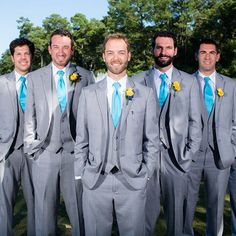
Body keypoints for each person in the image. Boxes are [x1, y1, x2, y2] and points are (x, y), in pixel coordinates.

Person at [74, 32, 159, 236]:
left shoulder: (145, 94)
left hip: (133, 180)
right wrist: (82, 173)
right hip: (95, 180)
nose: (116, 57)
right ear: (103, 56)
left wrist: (146, 173)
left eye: (121, 52)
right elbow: (81, 139)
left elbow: (152, 140)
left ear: (129, 55)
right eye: (110, 52)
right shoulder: (88, 93)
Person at [24, 29, 94, 236]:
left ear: (71, 50)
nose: (61, 52)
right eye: (56, 47)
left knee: (79, 211)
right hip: (44, 154)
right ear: (49, 49)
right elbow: (30, 115)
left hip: (76, 155)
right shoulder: (35, 77)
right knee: (44, 213)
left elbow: (93, 116)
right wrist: (32, 149)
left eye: (65, 47)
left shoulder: (85, 76)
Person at [132, 31, 202, 236]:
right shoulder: (136, 81)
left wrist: (187, 157)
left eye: (168, 47)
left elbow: (195, 123)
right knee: (144, 218)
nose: (163, 52)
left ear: (175, 51)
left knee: (177, 221)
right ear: (153, 50)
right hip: (145, 159)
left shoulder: (189, 82)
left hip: (177, 160)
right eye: (159, 47)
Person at [183, 39, 236, 236]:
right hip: (191, 157)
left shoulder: (231, 85)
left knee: (216, 207)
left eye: (211, 52)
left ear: (218, 56)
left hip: (219, 157)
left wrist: (232, 148)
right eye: (203, 52)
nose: (207, 56)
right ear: (196, 55)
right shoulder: (183, 83)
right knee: (186, 205)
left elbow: (235, 123)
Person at [0, 38, 35, 235]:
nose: (23, 57)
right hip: (7, 153)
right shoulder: (0, 82)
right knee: (3, 205)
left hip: (34, 154)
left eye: (26, 53)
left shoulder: (41, 82)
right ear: (12, 58)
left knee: (36, 204)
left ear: (31, 56)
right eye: (18, 54)